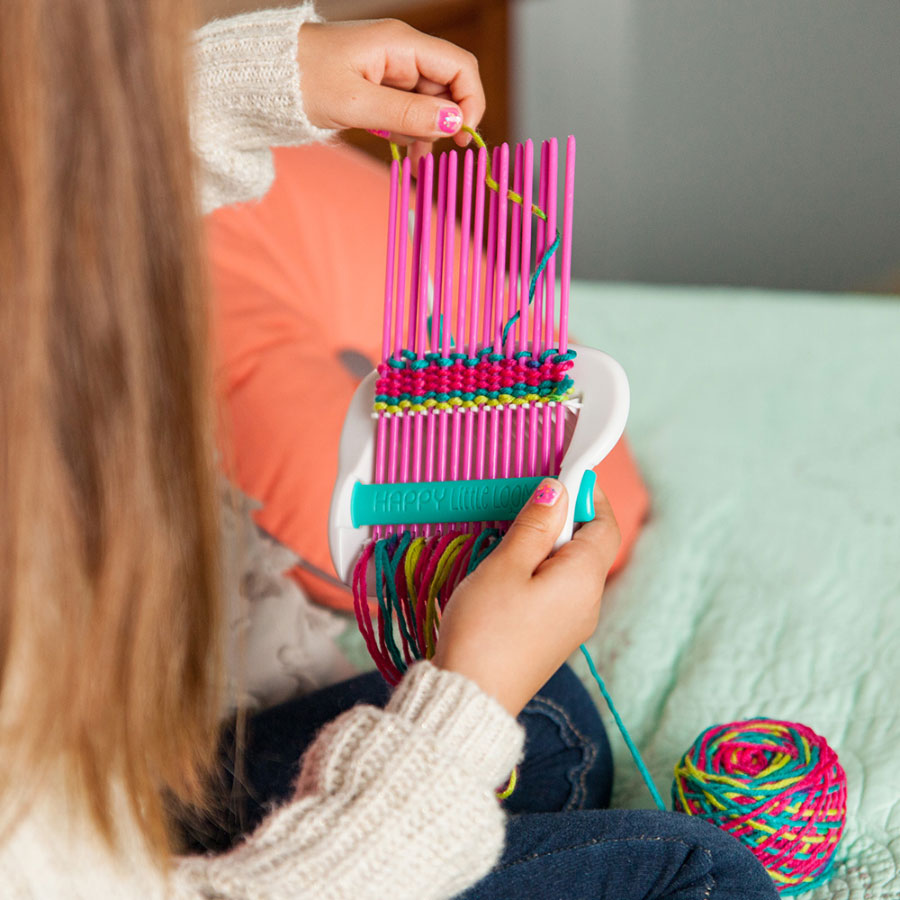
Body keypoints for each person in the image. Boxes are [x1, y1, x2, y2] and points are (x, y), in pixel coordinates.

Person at [0, 2, 779, 897]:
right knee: (702, 872)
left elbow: (41, 210)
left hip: (96, 787)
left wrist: (253, 85)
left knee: (554, 725)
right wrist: (464, 707)